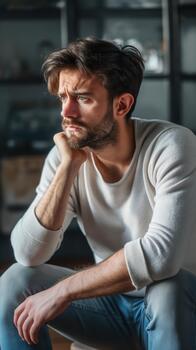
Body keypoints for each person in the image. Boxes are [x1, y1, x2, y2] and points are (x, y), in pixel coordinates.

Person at [0, 37, 196, 350]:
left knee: (166, 288)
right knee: (14, 282)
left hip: (179, 309)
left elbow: (161, 258)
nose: (67, 112)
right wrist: (67, 168)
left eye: (82, 98)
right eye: (63, 97)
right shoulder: (65, 155)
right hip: (110, 310)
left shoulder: (172, 145)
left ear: (122, 105)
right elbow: (27, 253)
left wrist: (63, 291)